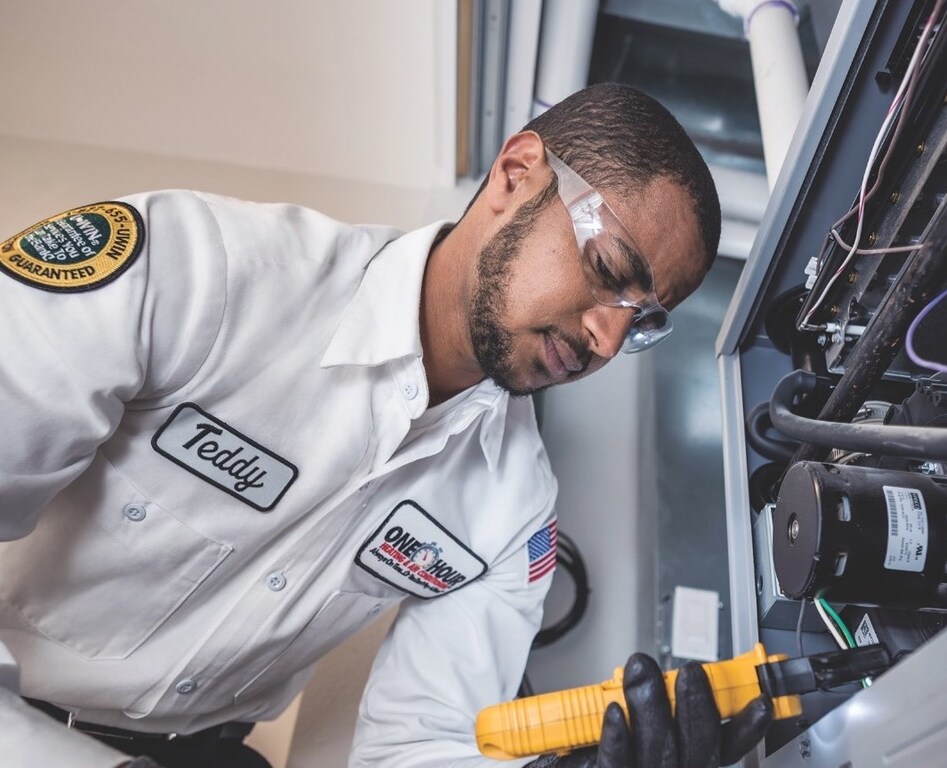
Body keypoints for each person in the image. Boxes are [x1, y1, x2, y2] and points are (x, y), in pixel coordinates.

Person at [0, 82, 770, 767]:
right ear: (515, 174)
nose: (606, 339)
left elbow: (419, 744)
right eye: (608, 270)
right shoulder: (190, 271)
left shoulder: (514, 511)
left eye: (641, 323)